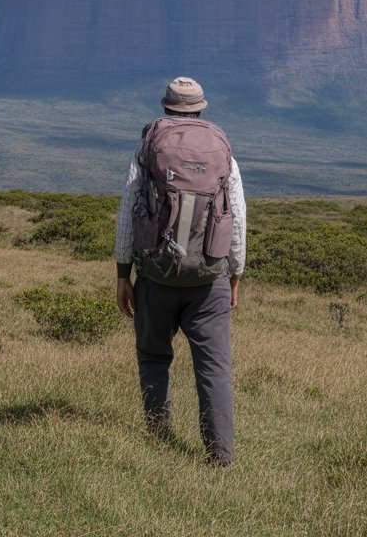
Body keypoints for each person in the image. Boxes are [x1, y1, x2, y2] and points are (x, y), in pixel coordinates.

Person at [114, 76, 247, 466]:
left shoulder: (149, 146)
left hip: (155, 275)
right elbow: (237, 218)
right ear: (201, 108)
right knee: (214, 369)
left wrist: (123, 274)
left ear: (166, 107)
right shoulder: (221, 149)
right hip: (209, 277)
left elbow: (128, 210)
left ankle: (158, 436)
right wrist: (234, 274)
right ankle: (220, 457)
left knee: (154, 356)